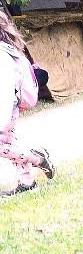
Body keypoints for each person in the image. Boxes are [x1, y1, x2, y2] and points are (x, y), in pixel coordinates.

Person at [0, 12, 55, 197]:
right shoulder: (7, 50)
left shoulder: (2, 56)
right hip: (7, 106)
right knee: (10, 143)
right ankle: (27, 182)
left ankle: (38, 158)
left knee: (5, 144)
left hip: (5, 107)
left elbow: (5, 89)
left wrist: (2, 121)